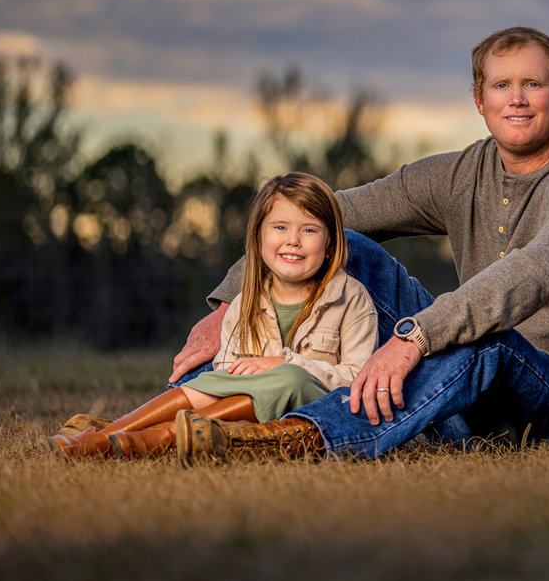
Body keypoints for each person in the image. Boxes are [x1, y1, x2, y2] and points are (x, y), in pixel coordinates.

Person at [170, 27, 549, 463]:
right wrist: (232, 302)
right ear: (479, 100)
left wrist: (415, 338)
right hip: (462, 394)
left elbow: (542, 266)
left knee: (487, 342)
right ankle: (167, 420)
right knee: (341, 241)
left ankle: (298, 436)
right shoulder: (460, 172)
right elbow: (325, 215)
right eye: (502, 84)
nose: (517, 98)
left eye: (533, 83)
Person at [48, 172, 376, 460]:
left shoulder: (352, 300)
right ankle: (103, 438)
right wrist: (255, 379)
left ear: (331, 244)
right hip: (247, 410)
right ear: (259, 237)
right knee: (206, 381)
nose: (293, 240)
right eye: (280, 227)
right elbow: (224, 375)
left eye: (309, 230)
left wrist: (286, 364)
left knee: (289, 378)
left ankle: (161, 436)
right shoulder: (244, 302)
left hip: (312, 412)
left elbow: (356, 378)